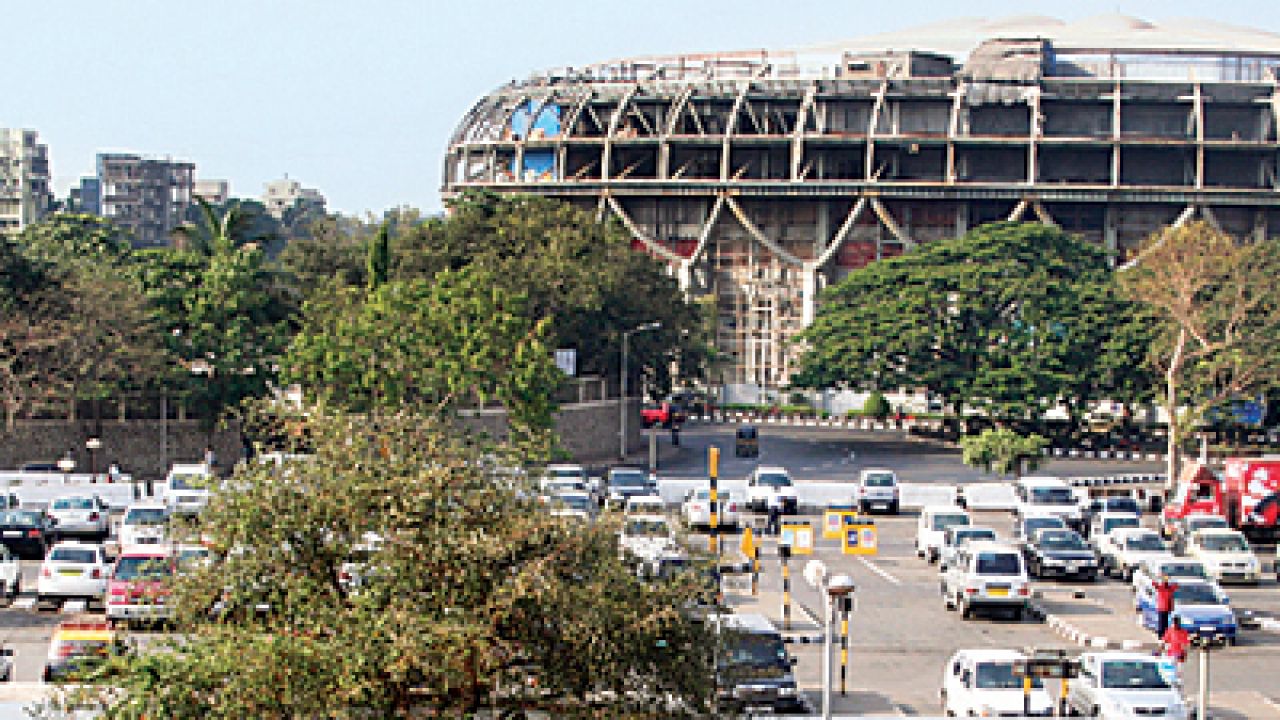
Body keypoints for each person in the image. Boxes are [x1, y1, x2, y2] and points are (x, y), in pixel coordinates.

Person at [1154, 574, 1179, 639]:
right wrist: (1160, 578)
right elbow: (1154, 583)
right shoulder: (1161, 588)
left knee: (1164, 623)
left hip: (1166, 608)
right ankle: (1161, 636)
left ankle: (1164, 636)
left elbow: (1176, 585)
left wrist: (1168, 578)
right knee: (1162, 623)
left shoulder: (1168, 589)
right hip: (1163, 608)